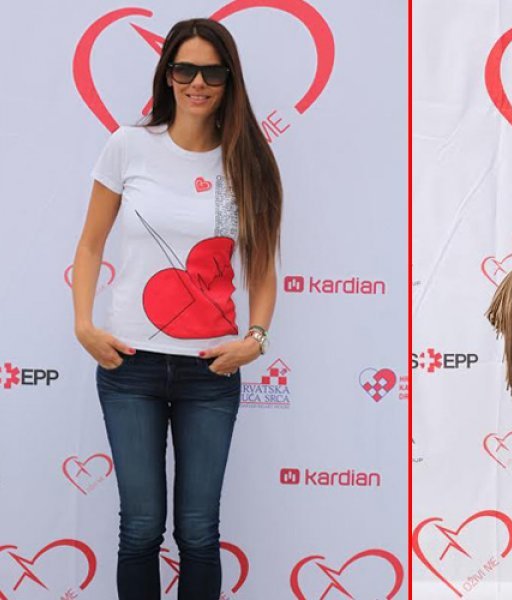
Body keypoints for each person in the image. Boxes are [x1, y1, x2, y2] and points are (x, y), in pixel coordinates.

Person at [71, 18, 281, 600]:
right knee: (140, 529)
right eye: (185, 69)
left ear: (230, 79)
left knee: (198, 533)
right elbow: (89, 246)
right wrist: (84, 325)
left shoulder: (248, 161)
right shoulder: (128, 145)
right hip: (129, 366)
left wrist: (256, 338)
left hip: (210, 371)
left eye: (212, 72)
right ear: (167, 75)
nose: (197, 83)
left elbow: (263, 269)